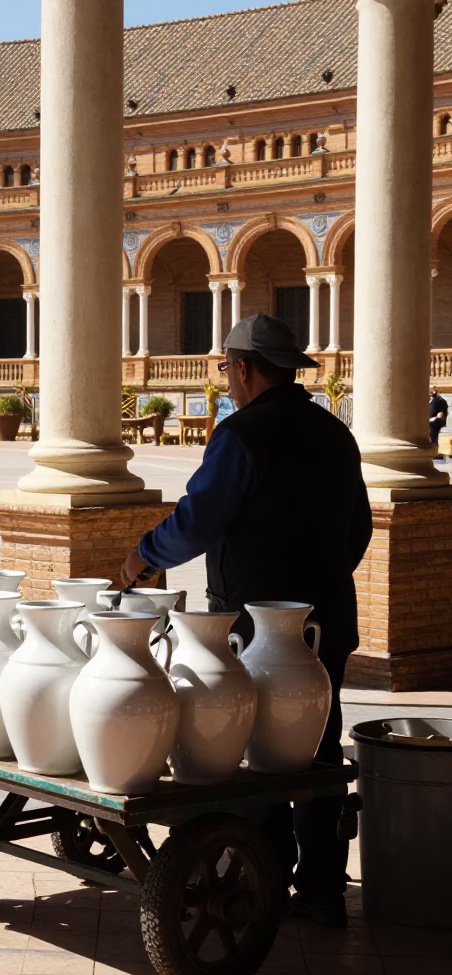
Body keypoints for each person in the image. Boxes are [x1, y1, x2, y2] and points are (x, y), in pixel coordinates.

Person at [121, 313, 372, 930]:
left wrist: (145, 555)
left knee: (251, 751)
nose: (228, 380)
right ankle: (319, 889)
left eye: (228, 369)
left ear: (242, 367)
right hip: (323, 625)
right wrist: (319, 579)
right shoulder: (336, 434)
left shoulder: (242, 435)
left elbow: (199, 520)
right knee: (315, 754)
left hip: (254, 632)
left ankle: (259, 874)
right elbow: (358, 529)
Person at [429, 386, 448, 461]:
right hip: (431, 420)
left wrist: (440, 415)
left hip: (437, 421)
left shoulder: (440, 400)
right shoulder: (432, 400)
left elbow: (443, 412)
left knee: (432, 431)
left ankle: (434, 451)